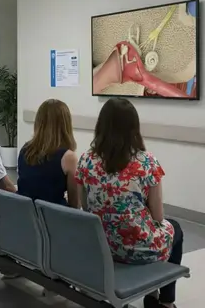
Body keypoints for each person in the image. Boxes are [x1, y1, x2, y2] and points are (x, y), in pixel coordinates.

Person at [75, 98, 183, 308]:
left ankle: (154, 295)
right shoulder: (146, 162)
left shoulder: (86, 160)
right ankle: (164, 302)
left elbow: (86, 207)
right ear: (134, 128)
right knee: (175, 229)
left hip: (101, 245)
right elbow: (158, 216)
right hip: (138, 249)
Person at [17, 99, 79, 207]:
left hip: (25, 212)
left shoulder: (25, 150)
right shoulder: (68, 157)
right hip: (53, 215)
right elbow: (75, 204)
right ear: (66, 124)